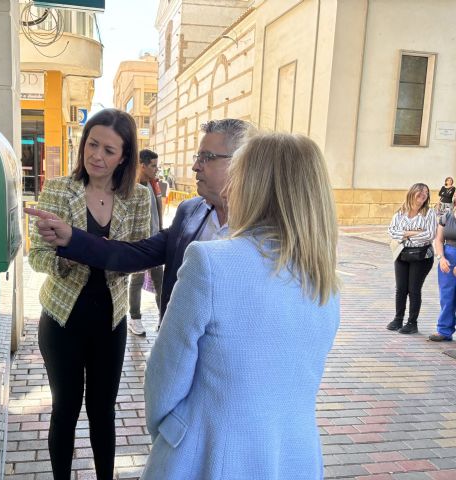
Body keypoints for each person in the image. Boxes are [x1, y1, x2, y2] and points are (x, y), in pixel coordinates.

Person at [141, 133, 340, 479]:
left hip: (208, 455)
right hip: (294, 458)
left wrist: (171, 435)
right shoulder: (325, 282)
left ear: (253, 186)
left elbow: (164, 379)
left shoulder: (211, 263)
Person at [26, 119, 256, 320]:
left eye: (207, 158)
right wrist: (72, 238)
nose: (196, 166)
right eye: (198, 156)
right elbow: (134, 254)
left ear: (240, 163)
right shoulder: (190, 213)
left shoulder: (274, 229)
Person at [27, 109, 151, 480]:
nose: (97, 155)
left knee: (103, 412)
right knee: (65, 408)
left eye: (109, 150)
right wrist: (63, 256)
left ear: (124, 157)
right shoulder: (59, 189)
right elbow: (36, 256)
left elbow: (138, 257)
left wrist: (100, 251)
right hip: (62, 319)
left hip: (109, 323)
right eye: (92, 144)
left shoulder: (139, 197)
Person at [387, 183, 436, 334]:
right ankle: (398, 319)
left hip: (422, 256)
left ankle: (412, 323)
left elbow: (429, 235)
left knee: (414, 289)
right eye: (420, 193)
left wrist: (404, 234)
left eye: (426, 193)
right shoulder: (400, 212)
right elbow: (391, 231)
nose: (423, 196)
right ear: (412, 193)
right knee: (401, 289)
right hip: (401, 253)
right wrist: (413, 233)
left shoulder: (429, 213)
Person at [127, 149, 164, 336]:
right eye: (153, 166)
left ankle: (163, 320)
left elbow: (158, 213)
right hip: (140, 243)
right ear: (142, 165)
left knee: (161, 283)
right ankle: (135, 319)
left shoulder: (153, 184)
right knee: (136, 280)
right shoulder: (131, 187)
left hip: (155, 240)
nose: (156, 169)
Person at [430, 207, 456, 341]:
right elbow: (439, 240)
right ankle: (444, 331)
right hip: (448, 257)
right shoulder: (446, 217)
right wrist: (441, 258)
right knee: (446, 295)